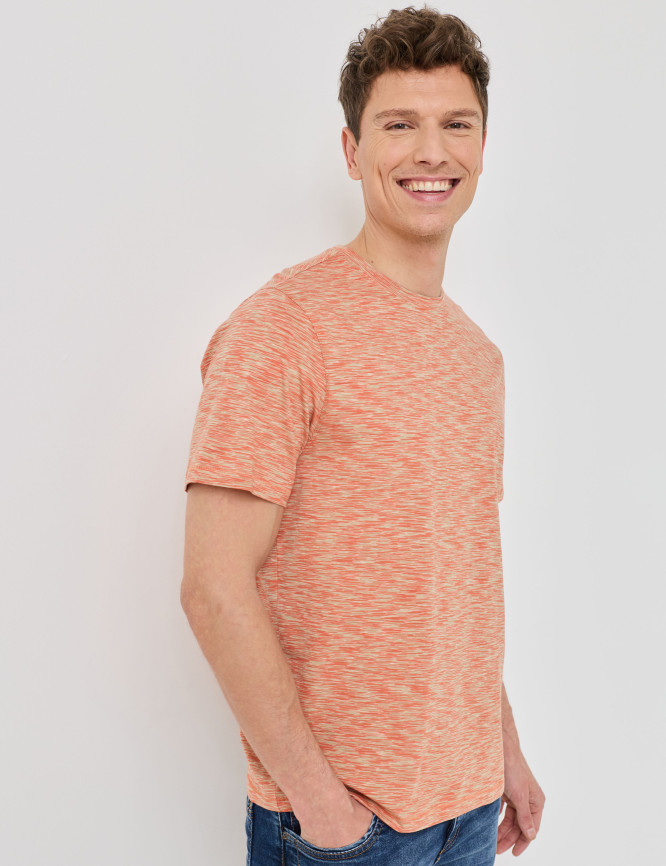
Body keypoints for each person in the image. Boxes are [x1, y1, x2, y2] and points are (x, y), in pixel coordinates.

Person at [181, 5, 545, 864]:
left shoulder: (479, 358)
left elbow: (450, 584)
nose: (432, 151)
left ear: (484, 147)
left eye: (457, 124)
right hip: (350, 831)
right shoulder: (283, 328)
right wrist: (324, 808)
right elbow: (213, 588)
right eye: (399, 124)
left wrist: (504, 750)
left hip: (470, 812)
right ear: (352, 150)